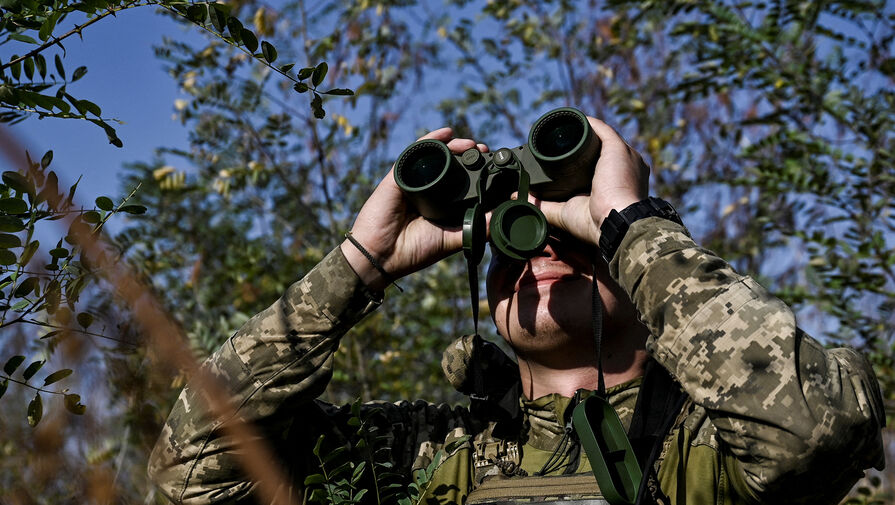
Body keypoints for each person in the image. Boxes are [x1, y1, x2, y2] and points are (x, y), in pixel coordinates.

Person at [148, 116, 886, 505]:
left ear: (641, 272)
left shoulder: (712, 446)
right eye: (517, 240)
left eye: (570, 234)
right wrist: (359, 264)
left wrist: (626, 222)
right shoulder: (419, 455)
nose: (539, 249)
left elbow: (808, 432)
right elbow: (194, 473)